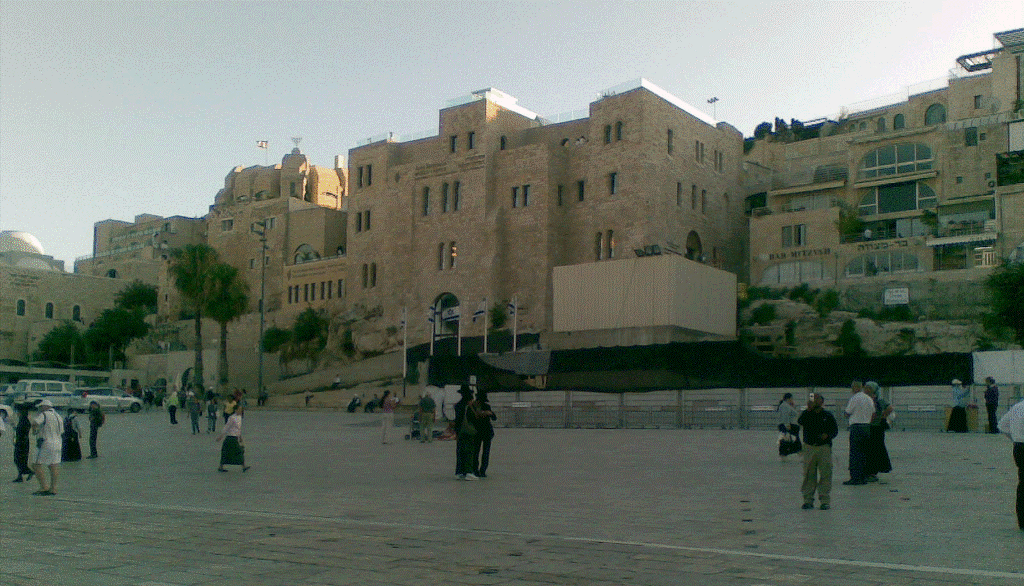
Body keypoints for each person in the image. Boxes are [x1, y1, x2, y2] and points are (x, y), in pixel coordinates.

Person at [798, 393, 839, 510]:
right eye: (812, 399)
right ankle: (808, 500)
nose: (815, 401)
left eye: (817, 399)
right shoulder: (807, 414)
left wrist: (828, 435)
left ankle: (825, 500)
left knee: (826, 473)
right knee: (809, 473)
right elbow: (800, 421)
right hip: (809, 447)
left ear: (822, 401)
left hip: (824, 447)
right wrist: (808, 410)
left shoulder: (827, 415)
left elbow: (834, 430)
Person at [997, 395, 1024, 531]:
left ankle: (1022, 519)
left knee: (1022, 483)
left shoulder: (1017, 407)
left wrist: (1014, 437)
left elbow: (1002, 425)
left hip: (1019, 447)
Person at [843, 381, 875, 485]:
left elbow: (847, 413)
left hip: (856, 427)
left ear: (855, 388)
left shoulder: (855, 398)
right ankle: (863, 477)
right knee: (864, 453)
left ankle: (855, 478)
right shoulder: (868, 398)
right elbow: (873, 413)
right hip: (866, 427)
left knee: (855, 453)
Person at [30, 400, 63, 496]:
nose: (39, 409)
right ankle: (53, 488)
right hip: (58, 443)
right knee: (53, 465)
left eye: (40, 407)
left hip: (46, 442)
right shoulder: (58, 416)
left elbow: (34, 423)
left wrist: (35, 431)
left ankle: (44, 487)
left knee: (36, 464)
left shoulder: (44, 414)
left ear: (44, 406)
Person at [863, 381, 893, 482]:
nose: (866, 390)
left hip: (876, 428)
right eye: (866, 388)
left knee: (875, 450)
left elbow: (889, 408)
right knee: (867, 450)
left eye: (869, 388)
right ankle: (867, 471)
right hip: (867, 427)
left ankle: (872, 472)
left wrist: (882, 416)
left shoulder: (879, 400)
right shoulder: (864, 399)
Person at [453, 385, 479, 480]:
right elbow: (473, 419)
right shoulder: (468, 407)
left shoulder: (458, 405)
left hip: (460, 431)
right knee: (469, 451)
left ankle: (459, 472)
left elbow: (457, 420)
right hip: (468, 431)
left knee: (460, 451)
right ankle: (468, 472)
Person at [473, 390, 497, 478]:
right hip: (483, 432)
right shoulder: (484, 406)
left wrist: (490, 413)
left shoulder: (476, 406)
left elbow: (494, 417)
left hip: (480, 432)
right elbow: (494, 418)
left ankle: (477, 470)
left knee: (477, 452)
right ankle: (481, 470)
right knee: (483, 452)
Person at [217, 406, 249, 472]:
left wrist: (240, 437)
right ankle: (243, 466)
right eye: (239, 409)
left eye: (241, 410)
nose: (240, 411)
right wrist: (221, 436)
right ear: (235, 410)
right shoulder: (232, 418)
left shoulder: (239, 417)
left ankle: (243, 466)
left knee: (234, 451)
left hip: (235, 437)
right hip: (230, 437)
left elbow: (238, 428)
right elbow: (227, 427)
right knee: (235, 451)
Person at [12, 403, 33, 482]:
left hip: (22, 443)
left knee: (19, 459)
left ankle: (28, 472)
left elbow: (22, 432)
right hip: (21, 442)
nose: (17, 414)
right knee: (19, 459)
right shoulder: (23, 420)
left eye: (18, 412)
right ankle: (20, 475)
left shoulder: (24, 421)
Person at [777, 392, 801, 457]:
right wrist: (787, 425)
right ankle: (799, 453)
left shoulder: (787, 405)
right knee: (791, 441)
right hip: (788, 426)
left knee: (788, 440)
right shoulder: (785, 406)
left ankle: (784, 453)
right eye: (791, 398)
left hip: (790, 425)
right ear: (789, 398)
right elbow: (785, 416)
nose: (792, 400)